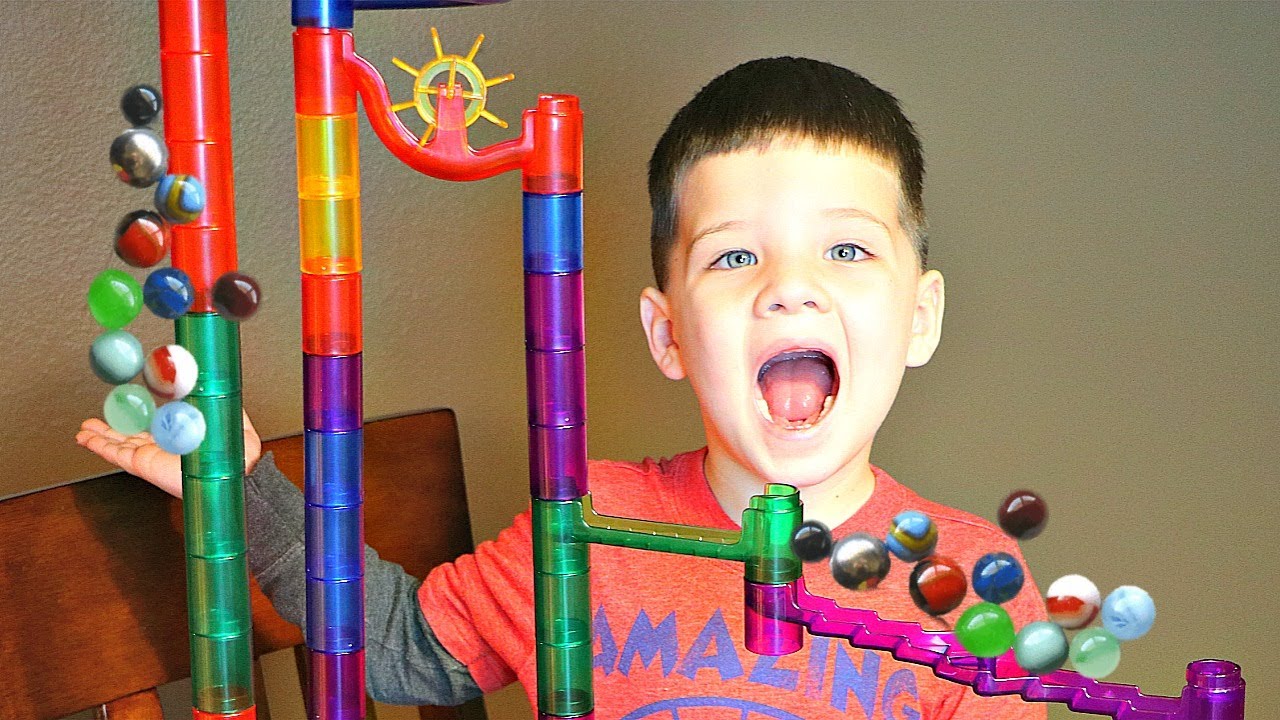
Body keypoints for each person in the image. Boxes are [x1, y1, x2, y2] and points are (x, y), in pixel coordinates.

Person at [79, 57, 1047, 719]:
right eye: (734, 256)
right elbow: (397, 647)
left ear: (917, 318)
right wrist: (243, 480)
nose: (788, 285)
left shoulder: (971, 588)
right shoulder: (584, 523)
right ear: (666, 334)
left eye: (843, 249)